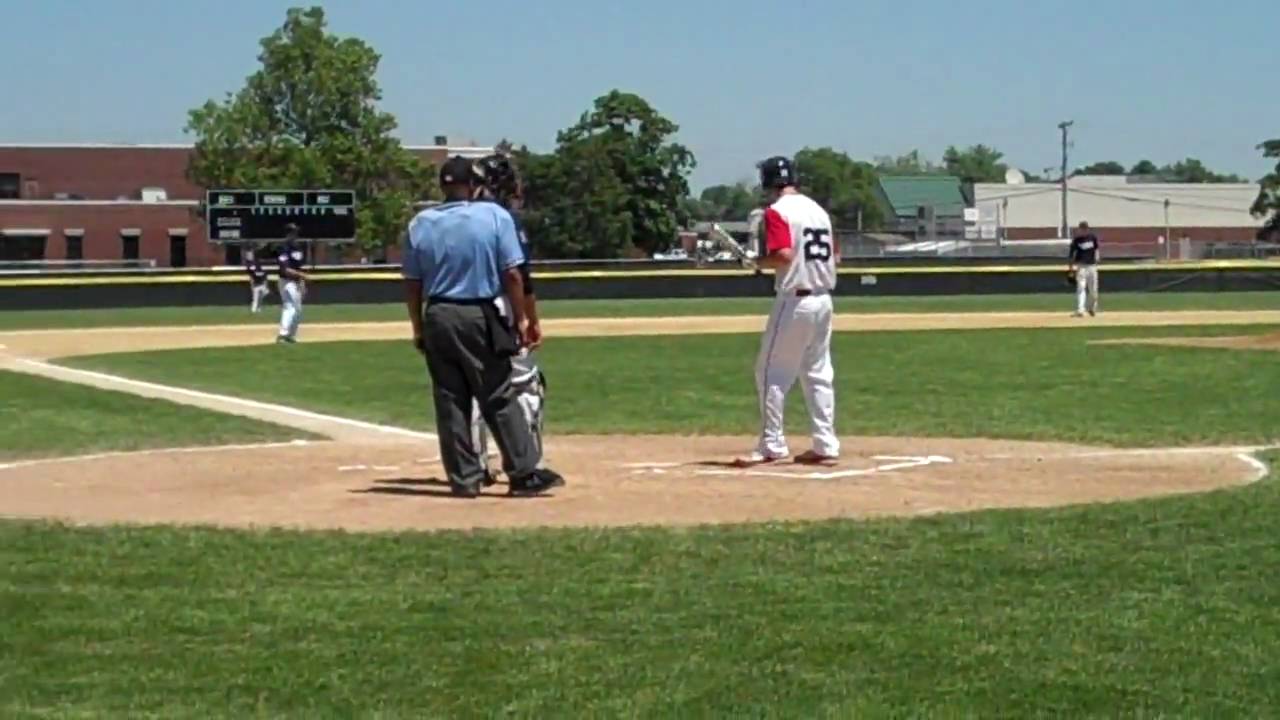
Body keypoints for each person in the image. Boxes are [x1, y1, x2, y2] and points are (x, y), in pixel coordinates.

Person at [402, 155, 565, 498]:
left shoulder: (420, 223)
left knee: (450, 401)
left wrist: (417, 326)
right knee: (498, 393)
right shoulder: (493, 216)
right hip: (477, 311)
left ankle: (464, 479)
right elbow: (512, 273)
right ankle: (522, 472)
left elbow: (413, 283)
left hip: (437, 313)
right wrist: (522, 318)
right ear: (473, 185)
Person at [736, 155, 840, 467]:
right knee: (818, 372)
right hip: (824, 299)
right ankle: (826, 443)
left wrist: (756, 261)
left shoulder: (776, 212)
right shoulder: (818, 211)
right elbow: (836, 256)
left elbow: (782, 255)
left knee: (770, 372)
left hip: (795, 300)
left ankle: (772, 443)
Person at [469, 153, 548, 482]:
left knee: (472, 388)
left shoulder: (451, 216)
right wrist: (530, 319)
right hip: (500, 306)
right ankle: (527, 463)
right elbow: (519, 276)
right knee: (524, 385)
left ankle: (475, 465)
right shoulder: (504, 219)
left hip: (457, 308)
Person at [276, 224, 309, 343]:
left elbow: (299, 267)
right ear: (288, 234)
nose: (295, 235)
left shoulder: (299, 248)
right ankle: (283, 334)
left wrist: (302, 281)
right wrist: (302, 276)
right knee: (291, 307)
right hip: (286, 281)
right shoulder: (283, 247)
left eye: (295, 232)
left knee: (296, 309)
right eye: (292, 233)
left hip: (296, 281)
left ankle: (289, 335)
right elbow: (285, 269)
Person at [1069, 221, 1101, 317]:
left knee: (1093, 290)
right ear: (1079, 229)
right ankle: (1080, 310)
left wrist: (1097, 256)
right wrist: (1071, 269)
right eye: (1082, 228)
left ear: (1088, 228)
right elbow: (1071, 255)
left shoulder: (1092, 238)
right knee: (1081, 288)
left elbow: (1096, 249)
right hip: (1081, 266)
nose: (1084, 230)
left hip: (1092, 266)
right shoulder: (1077, 240)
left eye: (1085, 228)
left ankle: (1092, 308)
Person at [244, 246, 271, 313]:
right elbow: (251, 274)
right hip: (256, 283)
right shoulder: (248, 264)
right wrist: (252, 284)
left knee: (265, 293)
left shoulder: (257, 263)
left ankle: (258, 307)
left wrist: (265, 283)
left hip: (261, 282)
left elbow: (263, 274)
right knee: (255, 298)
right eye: (248, 254)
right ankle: (254, 310)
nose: (249, 255)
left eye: (250, 254)